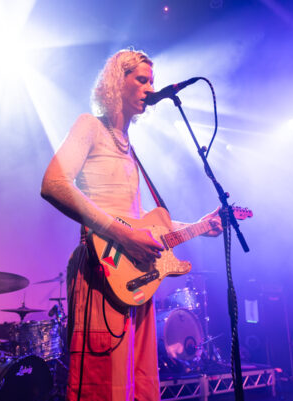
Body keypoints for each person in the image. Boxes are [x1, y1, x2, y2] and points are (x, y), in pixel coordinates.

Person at [41, 49, 221, 401]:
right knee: (102, 385)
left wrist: (199, 225)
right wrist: (125, 235)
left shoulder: (130, 147)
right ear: (115, 81)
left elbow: (143, 223)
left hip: (136, 278)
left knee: (139, 384)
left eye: (152, 81)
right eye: (141, 80)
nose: (149, 89)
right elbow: (54, 184)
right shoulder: (89, 125)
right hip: (101, 268)